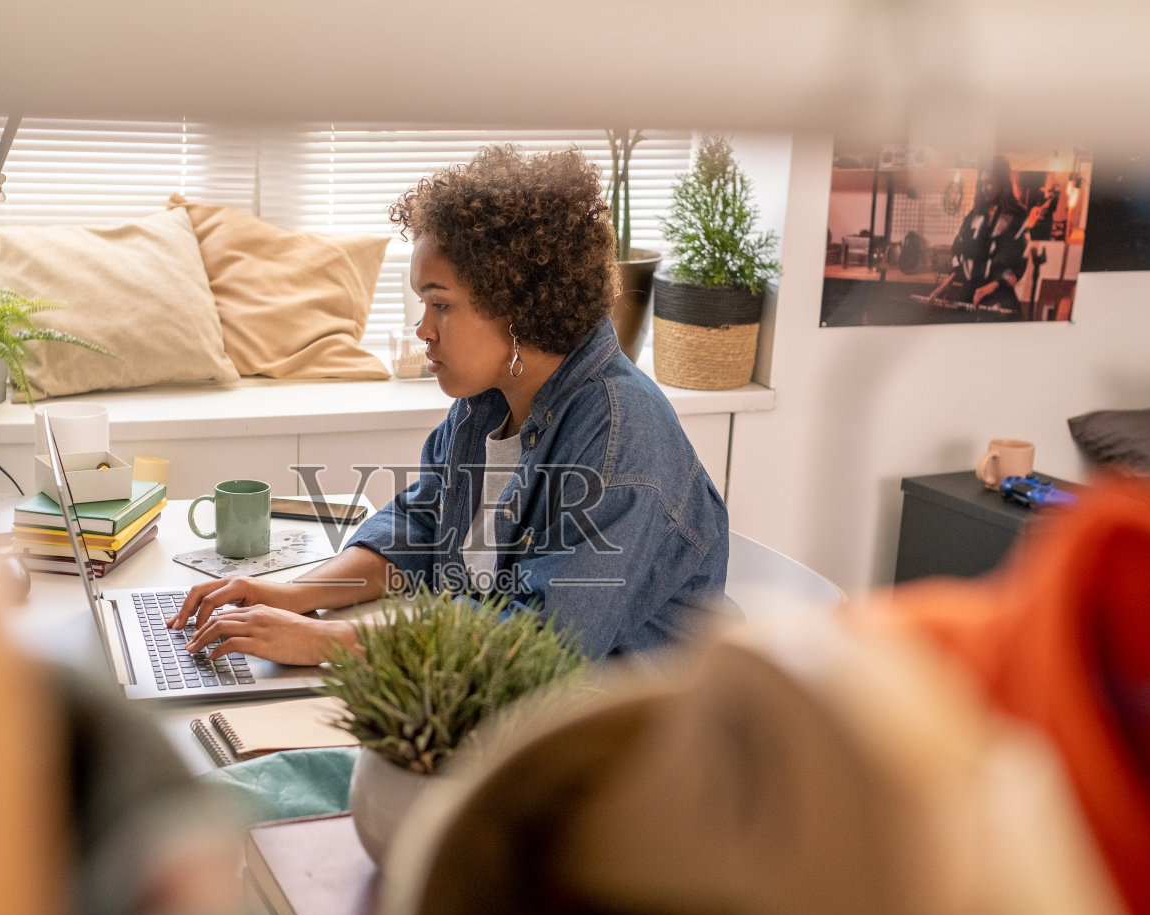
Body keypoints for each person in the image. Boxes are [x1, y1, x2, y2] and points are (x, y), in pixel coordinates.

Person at [169, 145, 730, 662]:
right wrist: (294, 594)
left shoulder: (620, 433)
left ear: (517, 304)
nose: (423, 330)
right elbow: (423, 525)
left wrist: (329, 641)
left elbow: (543, 642)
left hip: (617, 724)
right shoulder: (489, 399)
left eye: (440, 305)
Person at [928, 155, 1036, 318]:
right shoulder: (974, 215)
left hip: (999, 298)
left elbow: (1019, 262)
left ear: (1002, 183)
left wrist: (992, 286)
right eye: (982, 183)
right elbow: (959, 248)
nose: (985, 188)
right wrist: (945, 284)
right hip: (969, 295)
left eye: (990, 183)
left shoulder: (1017, 215)